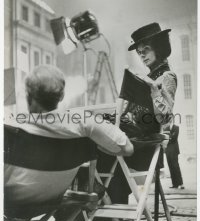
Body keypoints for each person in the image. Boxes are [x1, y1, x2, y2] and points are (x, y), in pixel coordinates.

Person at [4, 64, 134, 207]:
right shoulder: (83, 122)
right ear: (62, 96)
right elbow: (127, 148)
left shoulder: (11, 127)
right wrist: (98, 146)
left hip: (10, 204)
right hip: (56, 200)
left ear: (28, 95)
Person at [103, 22, 178, 206]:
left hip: (145, 147)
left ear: (159, 48)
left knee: (103, 142)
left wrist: (153, 92)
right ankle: (104, 202)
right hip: (132, 140)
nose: (141, 54)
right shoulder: (147, 77)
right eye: (139, 51)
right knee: (100, 133)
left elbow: (165, 118)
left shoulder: (167, 77)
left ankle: (106, 204)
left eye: (146, 49)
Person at [165, 124, 184, 189]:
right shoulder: (165, 128)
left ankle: (181, 184)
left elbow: (174, 138)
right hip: (167, 150)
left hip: (174, 149)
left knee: (175, 166)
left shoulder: (176, 127)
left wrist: (168, 138)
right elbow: (164, 138)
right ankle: (174, 184)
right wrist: (169, 137)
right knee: (170, 166)